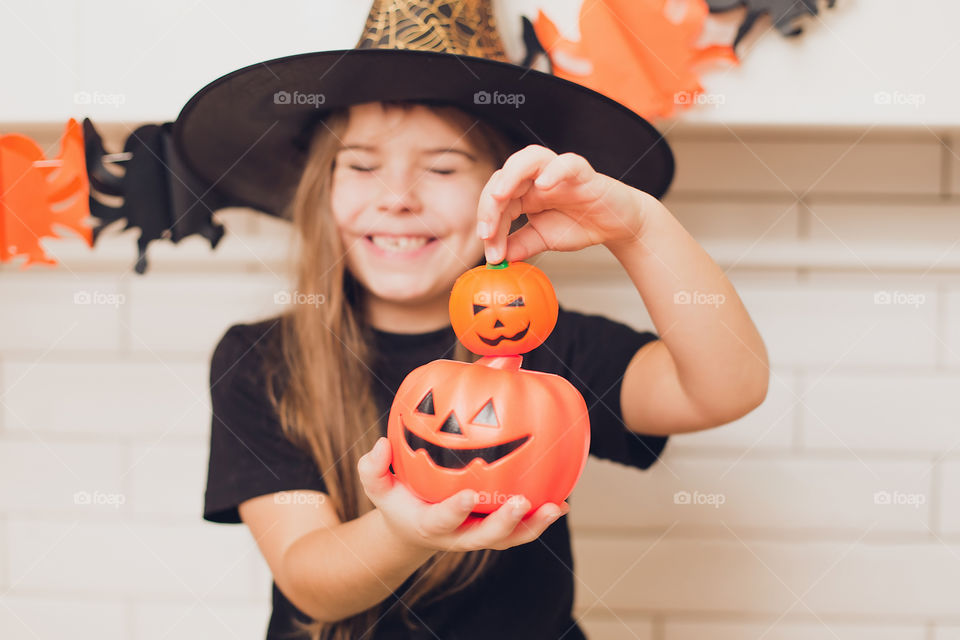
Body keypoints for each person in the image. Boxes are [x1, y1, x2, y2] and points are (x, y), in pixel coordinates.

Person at [182, 3, 769, 639]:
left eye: (441, 167)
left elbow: (725, 386)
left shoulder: (555, 348)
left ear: (505, 192)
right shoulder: (265, 360)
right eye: (361, 165)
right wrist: (404, 532)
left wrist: (638, 228)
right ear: (322, 188)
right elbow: (309, 582)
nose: (399, 196)